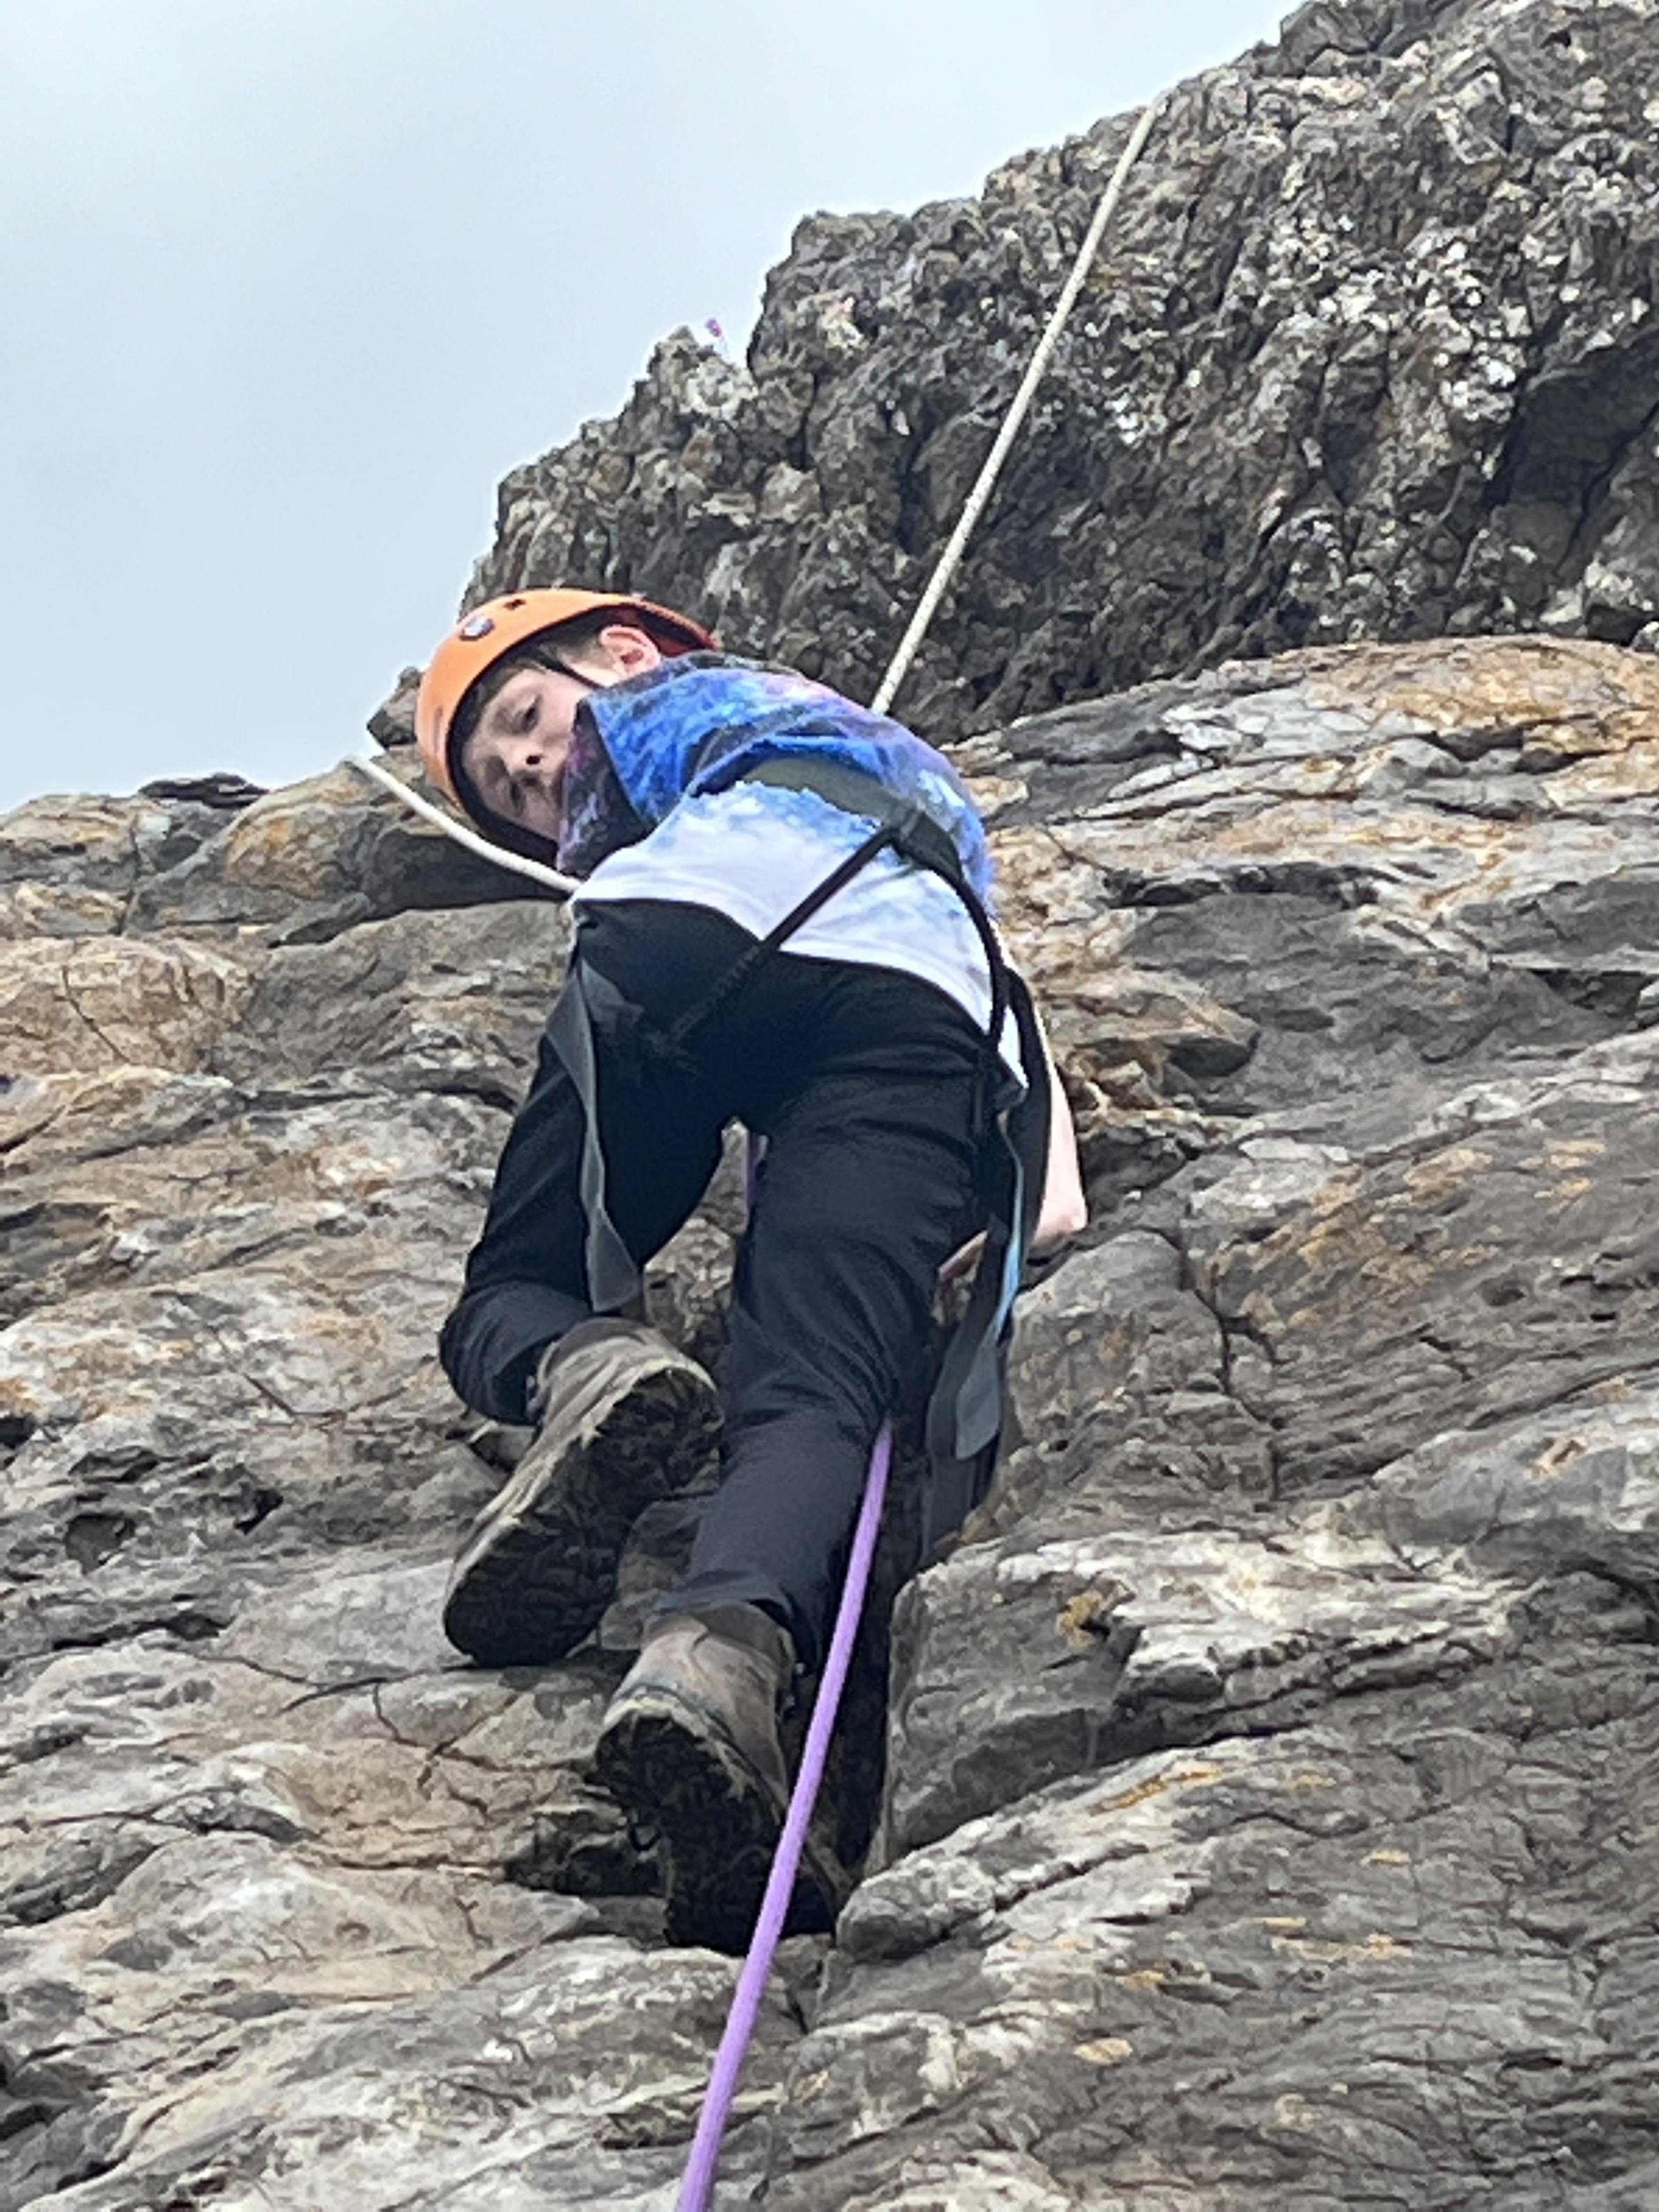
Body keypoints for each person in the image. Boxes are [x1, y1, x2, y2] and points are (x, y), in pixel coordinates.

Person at [414, 587, 1086, 1950]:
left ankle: (585, 1366)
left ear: (622, 652)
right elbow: (1007, 1007)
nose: (533, 768)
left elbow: (621, 880)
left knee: (516, 1289)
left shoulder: (656, 715)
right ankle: (715, 1658)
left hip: (692, 926)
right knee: (821, 1396)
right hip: (919, 1003)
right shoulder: (925, 793)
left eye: (525, 723)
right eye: (508, 785)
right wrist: (1036, 1190)